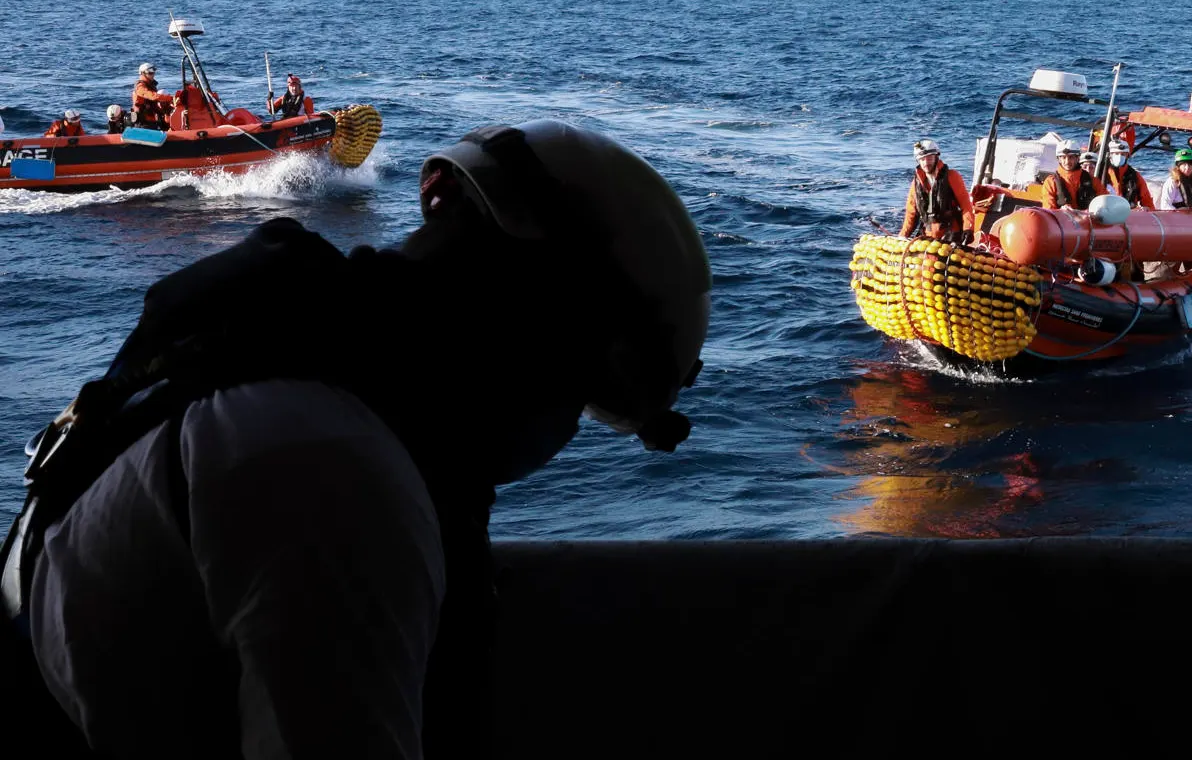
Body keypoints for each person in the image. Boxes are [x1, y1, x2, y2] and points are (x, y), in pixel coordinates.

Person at [2, 120, 710, 760]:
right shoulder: (334, 479)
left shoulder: (263, 367)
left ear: (437, 193)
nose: (557, 436)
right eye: (578, 394)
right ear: (553, 328)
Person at [900, 138, 975, 243]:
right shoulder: (916, 184)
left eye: (929, 158)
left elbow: (966, 205)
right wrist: (903, 236)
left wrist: (968, 229)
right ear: (918, 161)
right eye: (922, 159)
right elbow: (911, 212)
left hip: (951, 234)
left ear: (936, 157)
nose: (926, 162)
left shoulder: (952, 176)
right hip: (927, 234)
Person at [1100, 141, 1155, 209]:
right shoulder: (1101, 173)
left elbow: (1147, 200)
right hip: (1106, 212)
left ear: (1127, 156)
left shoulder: (1135, 175)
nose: (1120, 156)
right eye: (1116, 153)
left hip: (1129, 214)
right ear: (1110, 155)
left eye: (1123, 154)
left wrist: (1147, 209)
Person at [1041, 145, 1095, 210]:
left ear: (1077, 158)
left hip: (1088, 218)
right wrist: (1061, 212)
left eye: (1071, 157)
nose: (1067, 162)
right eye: (1063, 157)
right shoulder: (1051, 182)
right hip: (1061, 218)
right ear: (1059, 159)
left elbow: (1104, 202)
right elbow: (1049, 209)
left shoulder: (1092, 180)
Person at [131, 63, 175, 129]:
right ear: (143, 73)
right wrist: (170, 98)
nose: (153, 75)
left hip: (151, 120)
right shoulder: (140, 87)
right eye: (150, 73)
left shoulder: (150, 85)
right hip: (143, 123)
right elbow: (152, 96)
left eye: (153, 73)